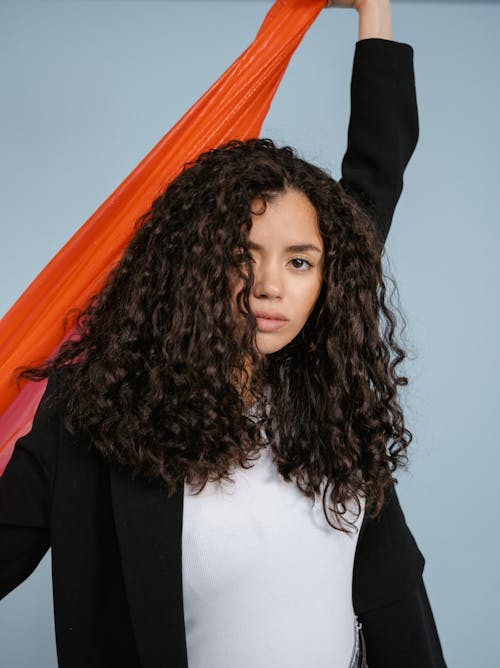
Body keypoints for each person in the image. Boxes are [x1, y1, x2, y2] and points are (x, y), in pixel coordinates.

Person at [0, 1, 447, 666]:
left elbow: (378, 165)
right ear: (196, 266)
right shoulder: (92, 417)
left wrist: (374, 9)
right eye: (243, 256)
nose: (272, 285)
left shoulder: (327, 389)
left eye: (299, 261)